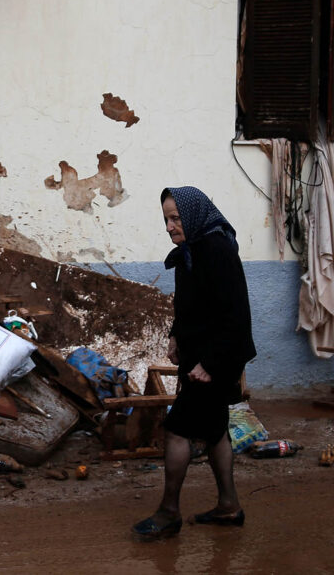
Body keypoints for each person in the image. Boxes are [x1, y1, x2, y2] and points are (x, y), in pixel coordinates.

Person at [132, 186, 257, 540]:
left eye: (176, 218)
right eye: (166, 220)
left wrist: (211, 364)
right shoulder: (190, 251)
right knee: (215, 430)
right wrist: (175, 336)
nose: (170, 226)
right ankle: (229, 506)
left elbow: (235, 314)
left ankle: (169, 512)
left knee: (177, 429)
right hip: (199, 358)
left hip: (217, 360)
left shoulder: (217, 249)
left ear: (194, 214)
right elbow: (188, 307)